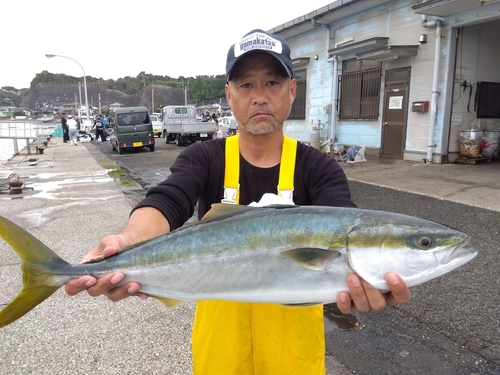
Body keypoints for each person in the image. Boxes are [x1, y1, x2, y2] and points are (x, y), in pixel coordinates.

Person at [65, 29, 410, 374]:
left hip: (294, 355)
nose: (259, 97)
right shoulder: (204, 157)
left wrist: (372, 277)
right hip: (220, 349)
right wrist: (129, 240)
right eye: (246, 85)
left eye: (272, 83)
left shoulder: (317, 167)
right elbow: (170, 198)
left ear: (292, 91)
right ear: (229, 96)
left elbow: (343, 223)